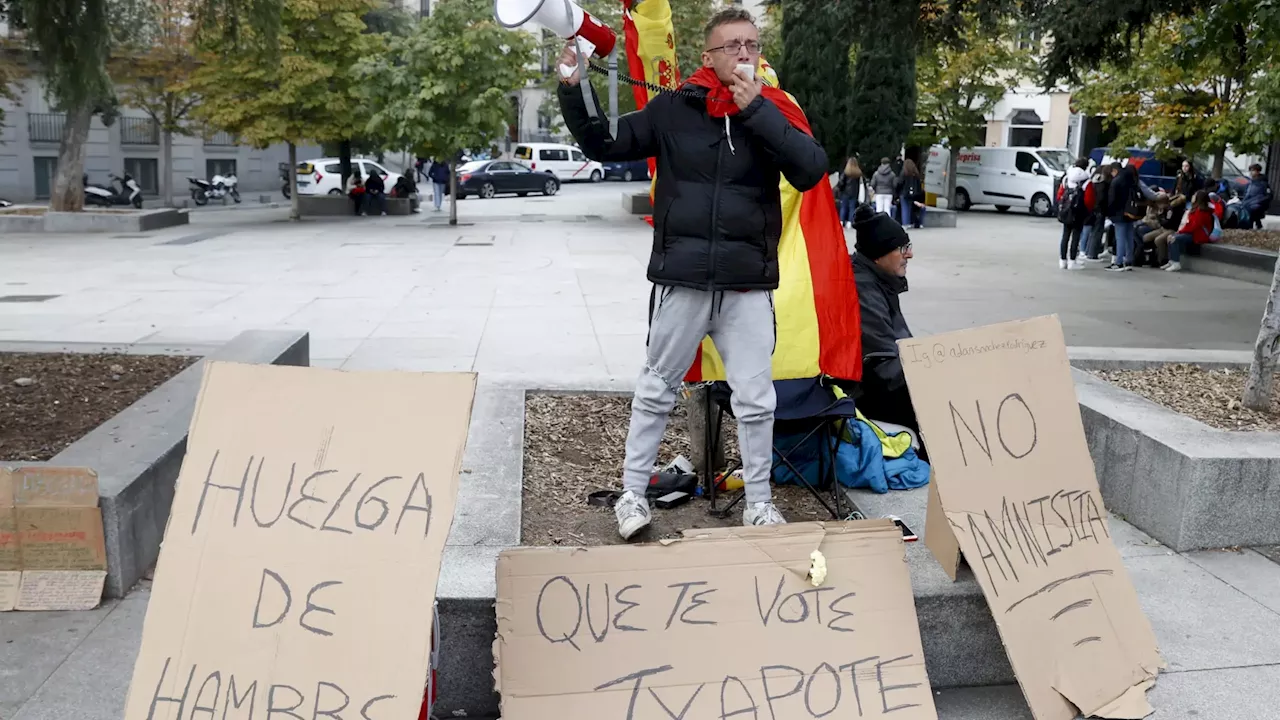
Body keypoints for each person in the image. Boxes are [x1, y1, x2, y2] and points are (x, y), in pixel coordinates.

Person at [556, 6, 828, 539]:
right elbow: (601, 143)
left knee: (756, 399)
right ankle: (633, 495)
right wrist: (572, 86)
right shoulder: (674, 109)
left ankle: (759, 502)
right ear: (708, 57)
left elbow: (811, 168)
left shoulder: (772, 111)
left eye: (751, 44)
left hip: (746, 285)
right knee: (656, 389)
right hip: (682, 282)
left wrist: (757, 113)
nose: (745, 53)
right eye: (732, 45)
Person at [850, 205, 927, 461]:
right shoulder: (863, 288)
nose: (910, 254)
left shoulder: (876, 279)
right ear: (878, 255)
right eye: (902, 248)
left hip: (881, 380)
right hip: (865, 392)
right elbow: (882, 366)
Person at [1163, 190, 1216, 272]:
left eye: (1194, 195)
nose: (1192, 196)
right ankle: (1171, 261)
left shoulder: (1202, 211)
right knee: (1171, 237)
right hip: (1193, 233)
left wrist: (1179, 232)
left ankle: (1176, 262)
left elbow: (1193, 226)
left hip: (1198, 235)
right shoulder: (1196, 209)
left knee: (1174, 239)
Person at [1106, 163, 1140, 272]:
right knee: (1129, 237)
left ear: (1114, 170)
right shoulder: (1132, 179)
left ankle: (1119, 262)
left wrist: (1110, 212)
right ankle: (1129, 260)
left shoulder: (1116, 181)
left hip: (1119, 213)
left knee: (1120, 238)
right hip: (1130, 212)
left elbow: (1112, 199)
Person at [1056, 158, 1090, 269]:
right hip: (1079, 212)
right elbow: (1089, 199)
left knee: (1065, 235)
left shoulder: (1066, 178)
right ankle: (1072, 261)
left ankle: (1062, 260)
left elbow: (1059, 194)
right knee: (1076, 236)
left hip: (1066, 211)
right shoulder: (1086, 180)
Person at [1148, 192, 1184, 266]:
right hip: (1163, 228)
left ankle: (1162, 260)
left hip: (1171, 229)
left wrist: (1159, 216)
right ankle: (1151, 256)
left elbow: (1168, 223)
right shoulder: (1164, 209)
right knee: (1146, 237)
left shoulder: (1171, 210)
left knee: (1158, 240)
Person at [836, 157, 866, 228]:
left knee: (843, 207)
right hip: (854, 193)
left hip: (845, 192)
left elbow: (841, 183)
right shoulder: (858, 173)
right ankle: (850, 222)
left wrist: (840, 190)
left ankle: (841, 221)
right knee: (852, 208)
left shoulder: (846, 172)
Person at [896, 159, 925, 229]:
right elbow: (919, 184)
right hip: (913, 194)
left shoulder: (904, 172)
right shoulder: (916, 173)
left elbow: (899, 183)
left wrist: (897, 192)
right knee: (909, 208)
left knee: (905, 208)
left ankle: (905, 223)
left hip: (904, 193)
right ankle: (910, 222)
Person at [1243, 163, 1272, 229]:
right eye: (1250, 170)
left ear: (1258, 171)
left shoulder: (1263, 183)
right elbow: (1247, 193)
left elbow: (1265, 195)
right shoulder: (1250, 182)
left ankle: (1252, 225)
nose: (1251, 172)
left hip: (1258, 202)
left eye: (1253, 170)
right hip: (1249, 201)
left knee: (1252, 209)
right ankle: (1257, 224)